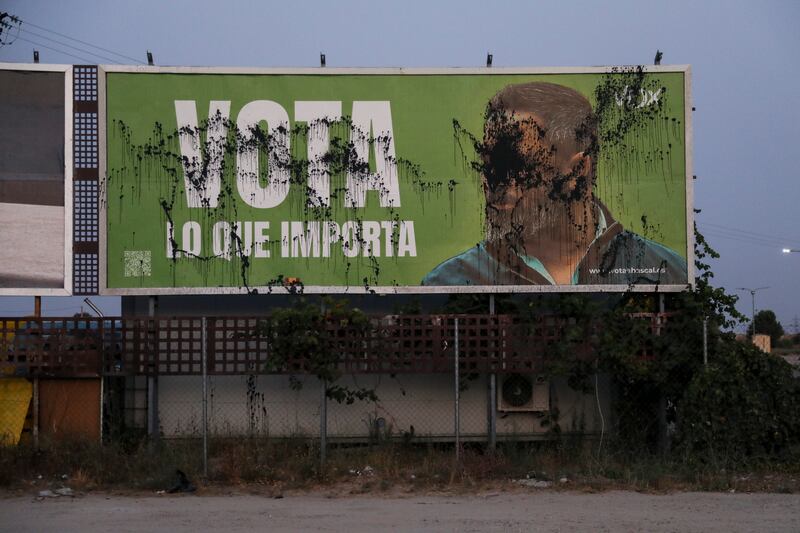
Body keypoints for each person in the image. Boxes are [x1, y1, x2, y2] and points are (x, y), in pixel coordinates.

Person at [423, 81, 687, 286]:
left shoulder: (664, 272)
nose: (494, 183)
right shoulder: (448, 282)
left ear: (577, 172)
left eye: (517, 165)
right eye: (490, 164)